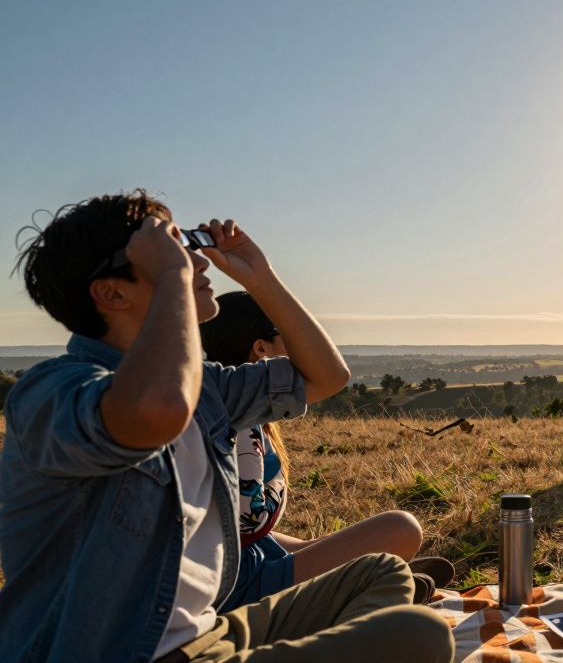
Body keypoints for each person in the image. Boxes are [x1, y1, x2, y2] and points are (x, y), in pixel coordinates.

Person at [0, 191, 453, 663]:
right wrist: (174, 279)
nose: (197, 262)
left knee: (381, 572)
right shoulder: (52, 394)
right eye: (173, 249)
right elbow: (156, 412)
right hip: (126, 653)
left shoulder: (206, 388)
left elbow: (326, 377)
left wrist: (261, 278)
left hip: (208, 631)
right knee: (419, 635)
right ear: (112, 293)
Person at [200, 290, 456, 610]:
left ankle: (370, 578)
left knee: (358, 540)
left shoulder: (224, 407)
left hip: (245, 562)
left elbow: (236, 529)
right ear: (261, 348)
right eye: (285, 333)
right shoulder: (241, 426)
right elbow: (247, 524)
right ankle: (364, 587)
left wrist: (313, 547)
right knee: (402, 529)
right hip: (242, 584)